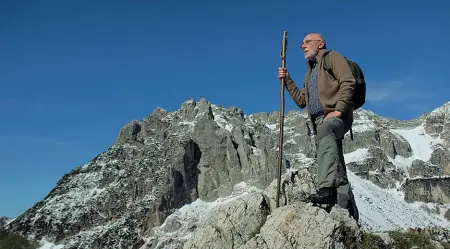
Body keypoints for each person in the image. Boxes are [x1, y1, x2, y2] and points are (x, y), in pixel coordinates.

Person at [278, 33, 359, 222]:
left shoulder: (333, 58)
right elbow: (301, 101)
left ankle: (326, 190)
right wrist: (288, 80)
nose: (302, 46)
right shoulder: (311, 73)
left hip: (334, 119)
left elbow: (348, 81)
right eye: (302, 43)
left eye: (307, 42)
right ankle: (348, 215)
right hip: (320, 123)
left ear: (320, 43)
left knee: (326, 130)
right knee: (337, 166)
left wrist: (339, 110)